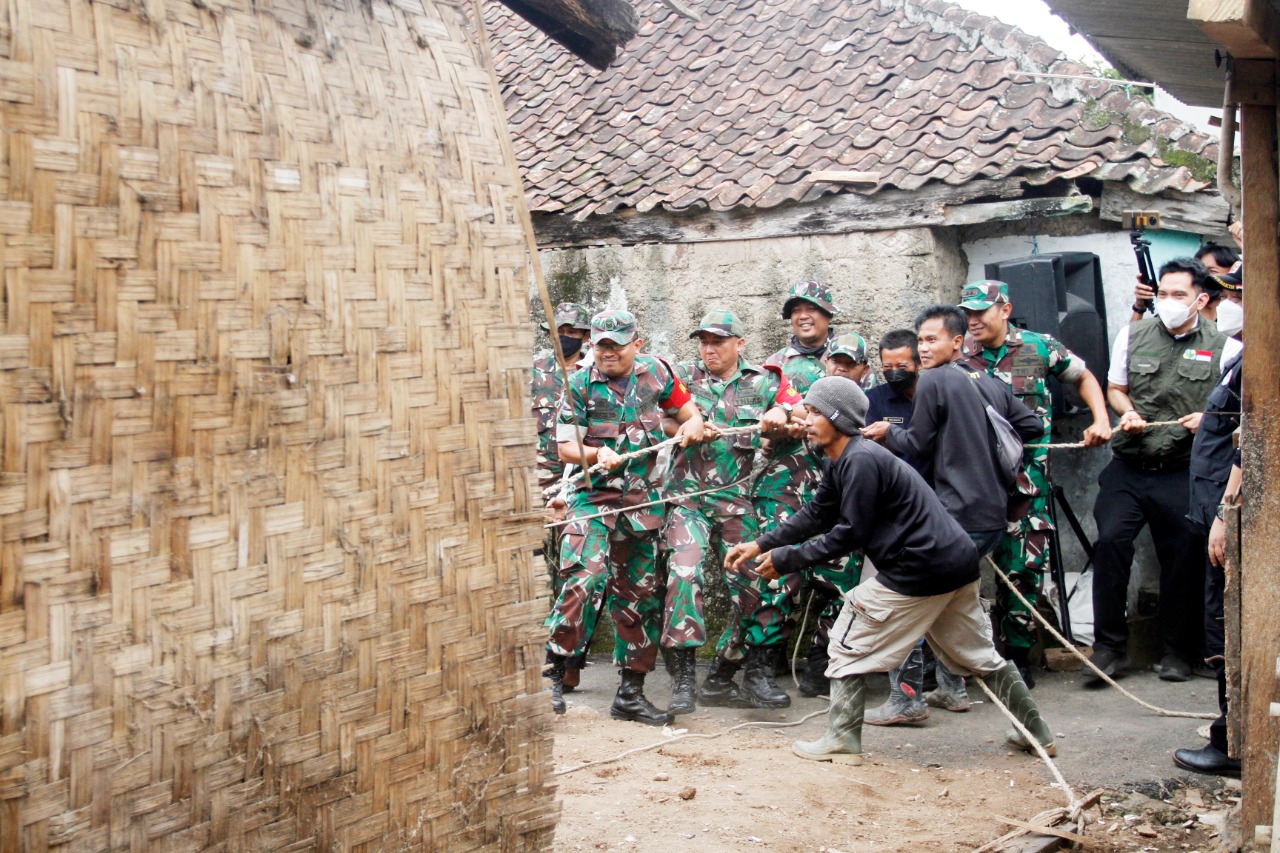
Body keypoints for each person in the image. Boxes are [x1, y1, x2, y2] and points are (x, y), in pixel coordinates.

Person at [725, 377, 1056, 765]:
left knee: (846, 639)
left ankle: (842, 739)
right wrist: (763, 543)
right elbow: (817, 513)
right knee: (978, 654)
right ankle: (1036, 731)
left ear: (837, 417)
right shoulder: (846, 460)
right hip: (954, 562)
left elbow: (851, 533)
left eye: (815, 412)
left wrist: (785, 560)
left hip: (920, 569)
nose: (806, 419)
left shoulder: (861, 461)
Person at [862, 304, 1042, 711]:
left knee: (899, 600)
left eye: (932, 339)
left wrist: (889, 432)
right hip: (992, 516)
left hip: (956, 517)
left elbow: (917, 443)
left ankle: (905, 701)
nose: (924, 349)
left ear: (958, 342)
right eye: (921, 340)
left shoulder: (936, 381)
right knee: (958, 608)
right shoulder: (989, 381)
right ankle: (955, 689)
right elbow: (1032, 426)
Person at [544, 310, 705, 724]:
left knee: (639, 595)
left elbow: (687, 412)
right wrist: (598, 454)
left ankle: (630, 692)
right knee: (585, 576)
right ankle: (551, 676)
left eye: (616, 344)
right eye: (601, 344)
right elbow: (565, 448)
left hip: (642, 502)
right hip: (593, 499)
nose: (607, 351)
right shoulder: (578, 382)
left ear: (637, 342)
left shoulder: (657, 373)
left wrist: (694, 425)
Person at [1091, 258, 1242, 684]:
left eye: (1179, 295)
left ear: (1201, 298)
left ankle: (1179, 651)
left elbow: (1236, 406)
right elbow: (1115, 390)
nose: (1169, 302)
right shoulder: (1132, 335)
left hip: (1182, 469)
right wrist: (1129, 412)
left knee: (1184, 556)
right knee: (1110, 542)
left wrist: (1206, 418)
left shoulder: (1227, 345)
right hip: (1130, 464)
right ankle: (1108, 648)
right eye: (1163, 294)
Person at [959, 281, 1112, 687]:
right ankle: (962, 663)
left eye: (981, 312)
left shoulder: (1039, 347)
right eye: (968, 314)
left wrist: (1100, 418)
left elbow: (1083, 377)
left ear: (1004, 309)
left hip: (1028, 485)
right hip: (974, 483)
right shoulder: (958, 357)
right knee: (959, 571)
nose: (973, 321)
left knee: (1022, 570)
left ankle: (1019, 659)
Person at [704, 280, 836, 709]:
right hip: (784, 483)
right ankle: (754, 670)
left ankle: (725, 672)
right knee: (776, 571)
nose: (803, 315)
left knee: (822, 579)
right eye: (795, 309)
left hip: (832, 481)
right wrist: (782, 415)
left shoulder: (849, 357)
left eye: (811, 308)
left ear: (828, 314)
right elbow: (782, 408)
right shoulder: (774, 367)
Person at [661, 309, 799, 714]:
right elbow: (657, 417)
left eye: (718, 341)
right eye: (703, 341)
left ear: (739, 344)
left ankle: (752, 670)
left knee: (764, 576)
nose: (709, 349)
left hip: (734, 498)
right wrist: (687, 426)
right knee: (684, 574)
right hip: (686, 498)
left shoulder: (766, 381)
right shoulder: (681, 377)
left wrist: (784, 414)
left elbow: (802, 412)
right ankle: (684, 677)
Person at [1174, 309, 1243, 777]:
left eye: (1237, 295)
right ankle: (1232, 733)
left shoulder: (1262, 358)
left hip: (1233, 522)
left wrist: (1224, 515)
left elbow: (1251, 442)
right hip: (1216, 515)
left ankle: (1234, 745)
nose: (1225, 308)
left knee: (1227, 630)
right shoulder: (1245, 355)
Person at [793, 331, 877, 699]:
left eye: (850, 364)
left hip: (858, 512)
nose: (840, 368)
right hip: (814, 504)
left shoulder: (869, 407)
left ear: (864, 369)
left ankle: (821, 662)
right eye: (835, 361)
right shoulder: (815, 401)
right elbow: (787, 409)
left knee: (845, 587)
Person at [861, 328, 931, 726]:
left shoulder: (936, 393)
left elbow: (934, 444)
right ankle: (906, 696)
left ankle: (949, 689)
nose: (894, 373)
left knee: (927, 605)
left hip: (938, 513)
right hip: (893, 516)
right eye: (887, 367)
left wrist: (895, 436)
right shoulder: (875, 399)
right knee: (902, 604)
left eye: (901, 366)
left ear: (918, 362)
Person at [532, 302, 595, 689]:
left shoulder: (593, 373)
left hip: (581, 487)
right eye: (560, 327)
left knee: (578, 575)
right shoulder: (534, 371)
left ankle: (571, 661)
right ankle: (541, 659)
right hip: (537, 488)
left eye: (574, 329)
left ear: (586, 335)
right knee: (539, 575)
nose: (566, 334)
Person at [1131, 242, 1240, 323]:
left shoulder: (1235, 319)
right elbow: (1133, 342)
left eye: (1212, 271)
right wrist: (1139, 307)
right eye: (1202, 271)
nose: (1205, 277)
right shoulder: (1180, 315)